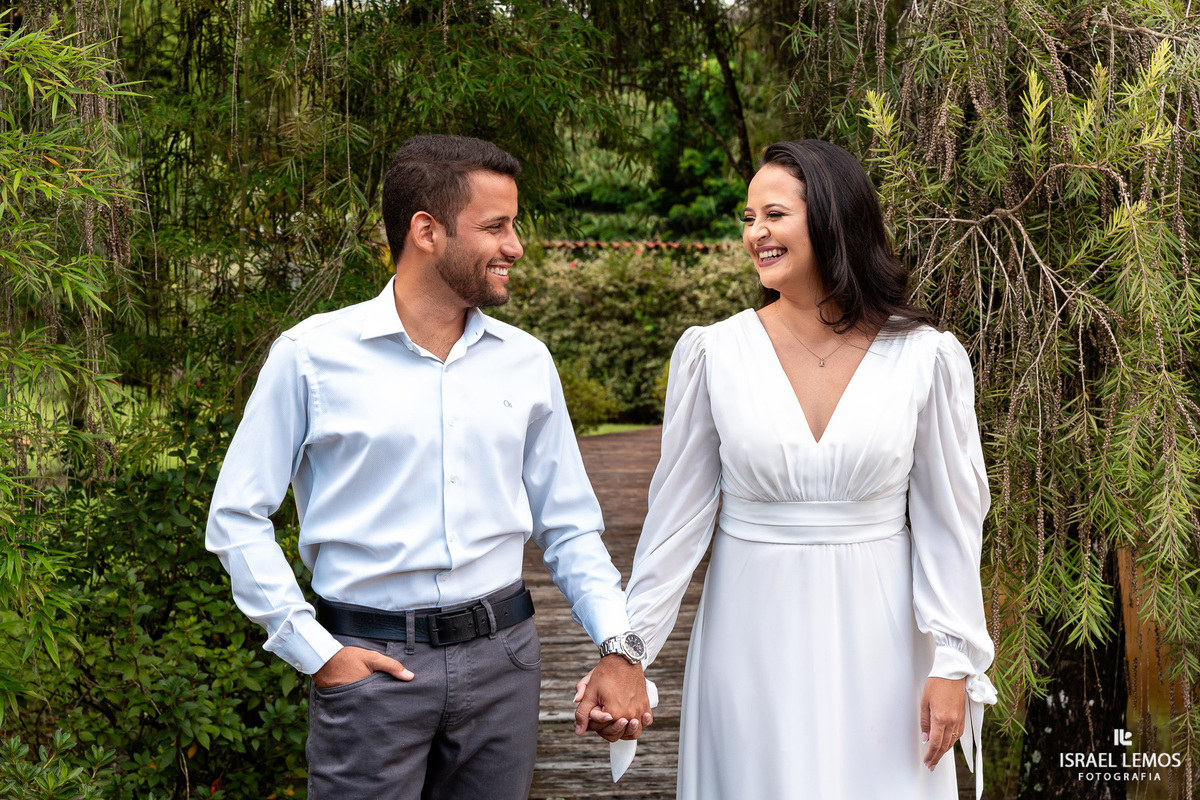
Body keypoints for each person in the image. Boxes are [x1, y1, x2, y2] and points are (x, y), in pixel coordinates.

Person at [205, 134, 650, 800]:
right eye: (496, 226)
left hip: (504, 663)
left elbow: (569, 528)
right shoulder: (311, 357)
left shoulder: (526, 363)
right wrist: (315, 651)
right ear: (427, 231)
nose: (516, 246)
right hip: (371, 668)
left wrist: (621, 643)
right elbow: (236, 516)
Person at [577, 139, 997, 799]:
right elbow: (677, 521)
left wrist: (954, 661)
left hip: (884, 642)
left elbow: (951, 522)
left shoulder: (925, 358)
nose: (755, 233)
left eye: (773, 214)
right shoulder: (713, 354)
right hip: (751, 638)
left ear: (832, 217)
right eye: (748, 218)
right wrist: (629, 651)